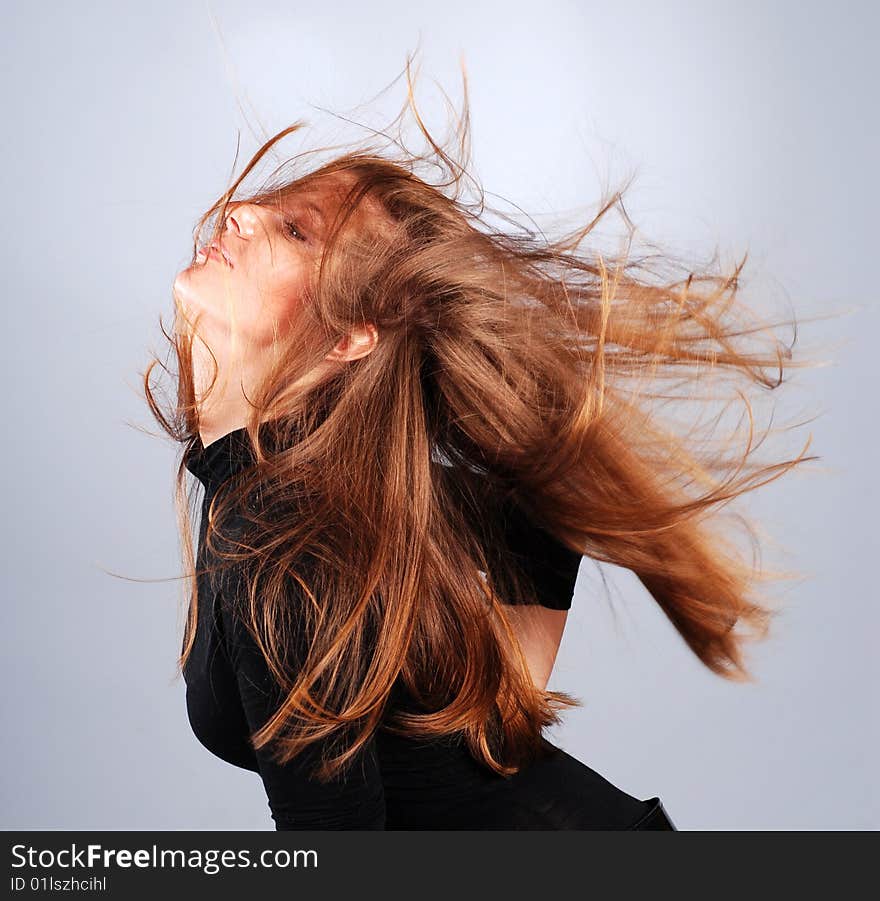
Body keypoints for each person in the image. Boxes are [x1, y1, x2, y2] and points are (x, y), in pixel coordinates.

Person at [152, 70, 810, 830]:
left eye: (295, 229)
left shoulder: (278, 539)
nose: (240, 211)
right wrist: (484, 733)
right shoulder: (329, 500)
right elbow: (543, 526)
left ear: (349, 336)